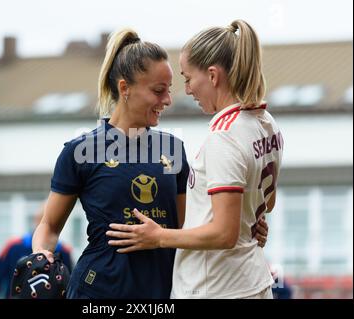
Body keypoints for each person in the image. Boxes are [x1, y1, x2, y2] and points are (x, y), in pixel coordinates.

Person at [33, 27, 269, 299]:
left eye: (169, 90)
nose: (167, 100)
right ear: (125, 88)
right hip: (98, 292)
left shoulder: (173, 148)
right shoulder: (81, 150)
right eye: (158, 91)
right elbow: (49, 226)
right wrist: (42, 254)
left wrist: (245, 226)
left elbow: (192, 227)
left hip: (164, 292)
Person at [107, 20, 282, 299]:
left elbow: (224, 234)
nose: (187, 90)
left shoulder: (225, 135)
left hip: (216, 288)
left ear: (213, 76)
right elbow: (266, 202)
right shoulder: (266, 122)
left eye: (188, 79)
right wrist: (247, 222)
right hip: (253, 281)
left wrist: (158, 237)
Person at [0, 206, 73, 299]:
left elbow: (69, 286)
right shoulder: (14, 247)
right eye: (43, 221)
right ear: (36, 220)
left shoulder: (63, 251)